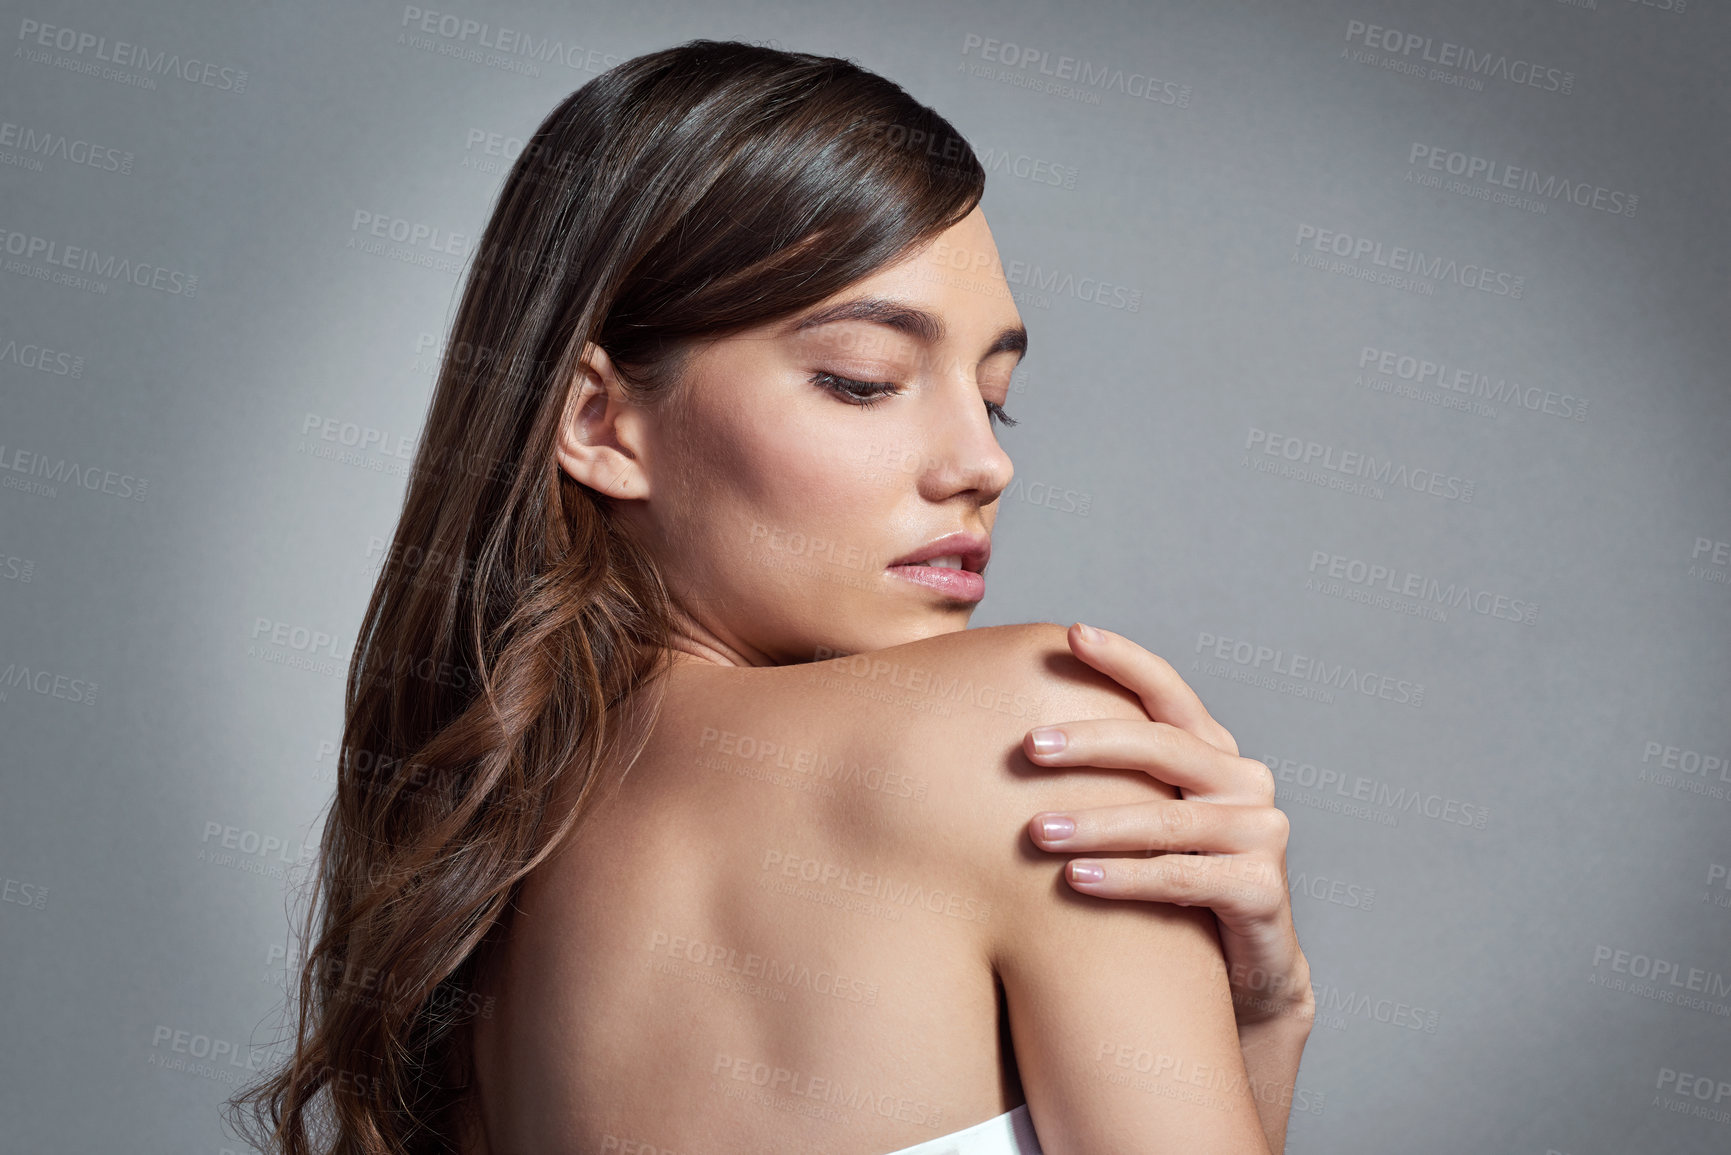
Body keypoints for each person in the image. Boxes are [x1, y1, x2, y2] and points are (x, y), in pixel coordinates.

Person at [229, 39, 1313, 1155]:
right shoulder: (1040, 748)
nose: (981, 463)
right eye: (865, 382)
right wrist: (1267, 1019)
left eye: (997, 400)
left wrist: (1251, 1026)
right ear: (597, 422)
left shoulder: (482, 895)